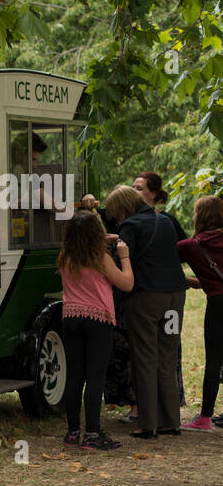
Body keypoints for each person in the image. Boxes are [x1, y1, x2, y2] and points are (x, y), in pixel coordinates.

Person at [107, 183, 189, 437]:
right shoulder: (165, 221)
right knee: (167, 354)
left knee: (145, 357)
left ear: (121, 209)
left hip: (146, 299)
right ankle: (171, 421)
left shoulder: (129, 227)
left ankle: (149, 423)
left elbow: (122, 259)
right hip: (175, 298)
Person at [57, 210, 134, 449]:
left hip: (71, 317)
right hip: (97, 319)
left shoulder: (65, 257)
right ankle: (93, 433)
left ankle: (72, 433)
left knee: (74, 376)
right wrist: (125, 256)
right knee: (95, 378)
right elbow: (127, 283)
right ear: (95, 235)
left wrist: (109, 238)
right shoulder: (100, 258)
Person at [177, 195, 223, 430]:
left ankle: (205, 418)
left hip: (217, 303)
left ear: (200, 217)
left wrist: (192, 280)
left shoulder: (190, 246)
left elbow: (162, 265)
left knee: (214, 360)